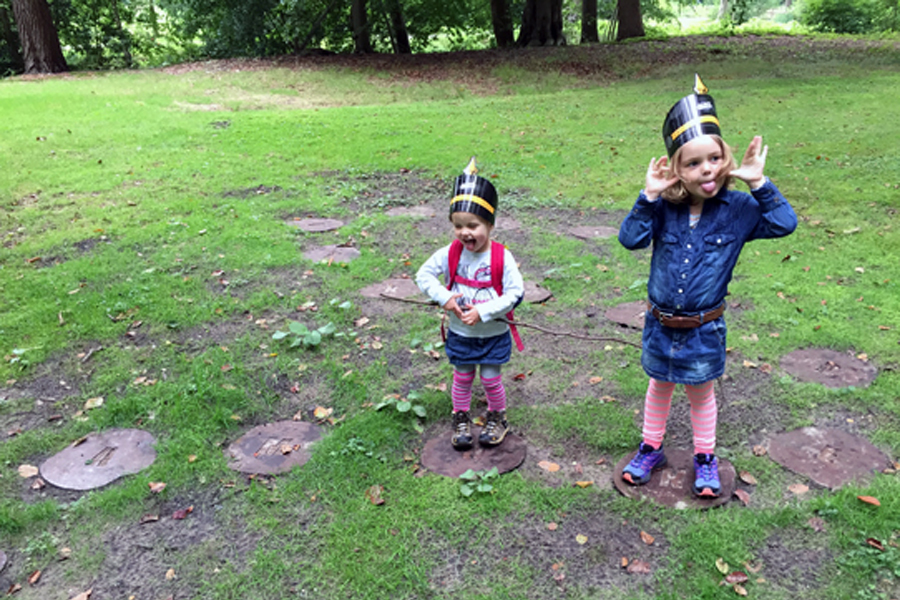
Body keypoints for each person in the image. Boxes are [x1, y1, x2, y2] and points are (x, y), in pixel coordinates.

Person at [617, 75, 797, 497]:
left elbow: (784, 223)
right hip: (661, 325)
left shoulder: (738, 208)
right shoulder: (663, 207)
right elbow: (629, 239)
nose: (707, 170)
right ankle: (650, 448)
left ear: (725, 157)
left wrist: (758, 182)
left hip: (703, 328)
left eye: (713, 158)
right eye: (693, 163)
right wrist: (647, 196)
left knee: (701, 394)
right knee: (658, 387)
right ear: (677, 169)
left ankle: (705, 459)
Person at [416, 158, 525, 451]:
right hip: (461, 335)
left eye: (473, 226)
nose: (466, 233)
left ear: (490, 224)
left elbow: (515, 292)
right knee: (462, 377)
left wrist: (484, 312)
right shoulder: (450, 253)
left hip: (493, 334)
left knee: (491, 379)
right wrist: (446, 298)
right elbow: (423, 274)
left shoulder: (502, 257)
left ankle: (497, 417)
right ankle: (460, 417)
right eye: (458, 226)